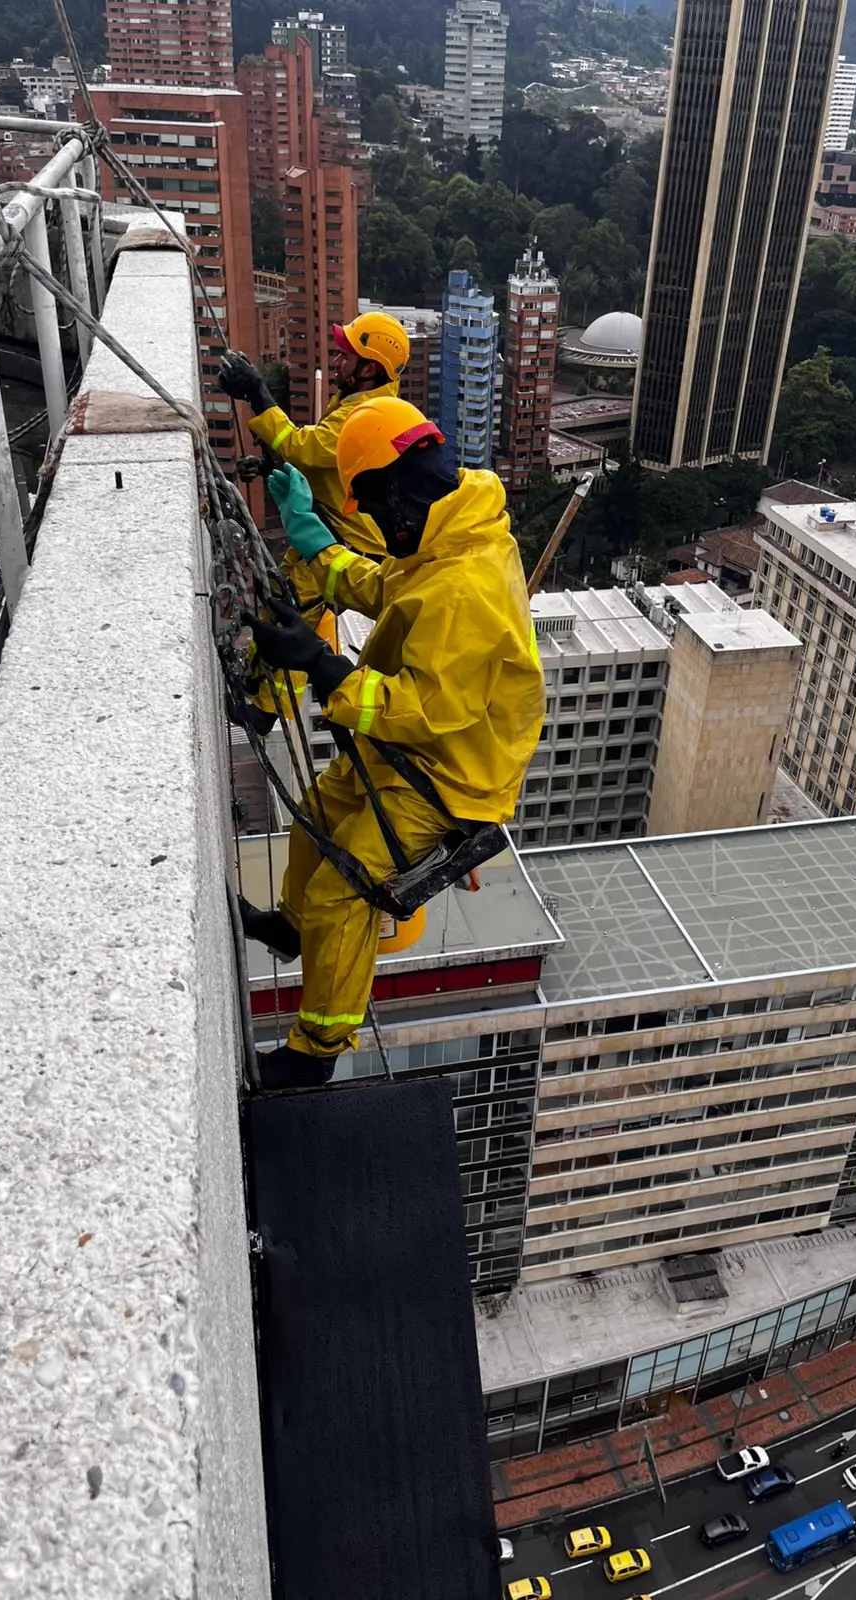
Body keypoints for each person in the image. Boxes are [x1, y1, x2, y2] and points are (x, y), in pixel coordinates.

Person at [241, 396, 546, 1089]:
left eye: (374, 510)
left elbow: (425, 709)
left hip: (452, 779)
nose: (376, 524)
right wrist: (321, 555)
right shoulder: (454, 532)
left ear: (395, 491)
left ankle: (313, 1054)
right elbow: (387, 586)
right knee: (316, 814)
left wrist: (322, 666)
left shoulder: (468, 585)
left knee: (343, 891)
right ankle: (293, 930)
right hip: (420, 754)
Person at [217, 311, 411, 729]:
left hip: (348, 541)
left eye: (346, 355)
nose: (337, 362)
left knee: (291, 609)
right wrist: (270, 468)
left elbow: (301, 448)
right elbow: (325, 471)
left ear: (369, 368)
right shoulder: (356, 402)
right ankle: (272, 689)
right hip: (332, 528)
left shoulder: (369, 412)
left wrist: (255, 391)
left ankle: (267, 711)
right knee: (289, 604)